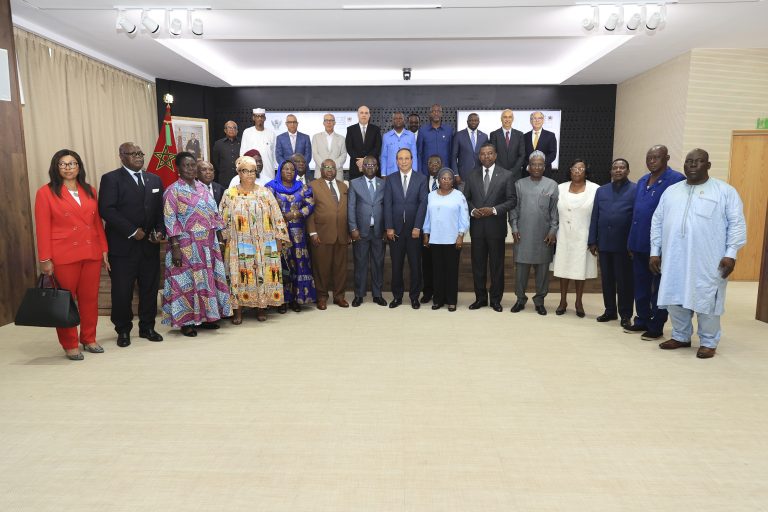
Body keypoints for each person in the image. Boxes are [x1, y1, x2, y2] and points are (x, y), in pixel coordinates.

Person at [650, 148, 746, 359]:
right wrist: (654, 251)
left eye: (698, 161)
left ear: (708, 165)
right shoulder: (672, 191)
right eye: (689, 162)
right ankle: (681, 336)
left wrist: (731, 253)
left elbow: (737, 225)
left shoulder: (724, 191)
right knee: (675, 296)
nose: (692, 165)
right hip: (674, 257)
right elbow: (657, 222)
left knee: (706, 298)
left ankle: (709, 341)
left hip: (709, 259)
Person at [35, 149, 110, 360]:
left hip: (91, 251)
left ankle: (88, 338)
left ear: (79, 167)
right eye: (63, 164)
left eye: (73, 163)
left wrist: (104, 249)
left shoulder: (90, 190)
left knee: (89, 299)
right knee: (65, 300)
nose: (68, 168)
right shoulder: (45, 192)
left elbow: (97, 223)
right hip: (63, 254)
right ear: (56, 167)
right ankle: (69, 343)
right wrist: (45, 259)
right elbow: (42, 228)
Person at [98, 142, 165, 348]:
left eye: (140, 153)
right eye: (133, 153)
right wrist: (131, 231)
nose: (138, 156)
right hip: (123, 247)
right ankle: (123, 330)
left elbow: (159, 211)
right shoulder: (111, 179)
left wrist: (160, 230)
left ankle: (147, 327)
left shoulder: (154, 179)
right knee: (122, 291)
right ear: (122, 156)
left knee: (149, 289)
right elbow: (107, 210)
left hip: (149, 246)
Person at [161, 152, 231, 336]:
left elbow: (215, 214)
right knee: (188, 284)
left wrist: (220, 237)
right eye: (187, 165)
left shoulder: (202, 188)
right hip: (185, 245)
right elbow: (170, 220)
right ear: (179, 168)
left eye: (193, 165)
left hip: (208, 244)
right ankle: (186, 322)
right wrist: (175, 247)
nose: (191, 169)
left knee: (206, 282)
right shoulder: (172, 191)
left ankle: (207, 317)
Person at [624, 145, 685, 340]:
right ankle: (641, 319)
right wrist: (631, 241)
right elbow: (637, 213)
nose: (651, 161)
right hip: (639, 242)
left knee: (659, 287)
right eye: (649, 157)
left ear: (666, 158)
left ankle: (656, 325)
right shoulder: (642, 180)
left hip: (660, 246)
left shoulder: (676, 180)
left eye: (656, 157)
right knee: (640, 285)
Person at [220, 156, 291, 323]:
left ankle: (261, 306)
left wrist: (279, 239)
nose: (250, 174)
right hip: (239, 243)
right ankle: (237, 310)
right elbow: (222, 219)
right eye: (245, 171)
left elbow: (276, 216)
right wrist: (223, 241)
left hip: (263, 243)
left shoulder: (265, 193)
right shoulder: (229, 194)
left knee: (262, 273)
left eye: (253, 171)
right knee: (239, 274)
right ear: (238, 173)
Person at [464, 143, 518, 311]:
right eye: (483, 154)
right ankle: (480, 298)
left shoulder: (507, 175)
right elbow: (465, 199)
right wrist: (472, 211)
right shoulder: (471, 175)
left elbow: (512, 200)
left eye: (489, 153)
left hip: (496, 229)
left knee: (497, 266)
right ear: (479, 156)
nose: (486, 156)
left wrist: (494, 210)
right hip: (477, 229)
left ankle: (496, 299)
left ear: (495, 155)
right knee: (478, 265)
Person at [588, 158, 636, 328]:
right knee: (607, 280)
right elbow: (595, 216)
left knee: (624, 281)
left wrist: (633, 243)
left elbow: (636, 218)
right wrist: (592, 240)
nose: (618, 170)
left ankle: (625, 314)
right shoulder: (602, 191)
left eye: (622, 167)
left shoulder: (635, 190)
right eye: (615, 167)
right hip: (605, 243)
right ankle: (610, 311)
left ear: (628, 171)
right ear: (611, 171)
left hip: (624, 245)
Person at [509, 151, 558, 315]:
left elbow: (555, 212)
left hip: (544, 235)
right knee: (521, 270)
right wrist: (514, 228)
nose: (536, 167)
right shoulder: (519, 184)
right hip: (523, 234)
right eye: (533, 164)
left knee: (542, 271)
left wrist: (553, 230)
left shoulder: (552, 185)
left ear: (544, 167)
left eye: (540, 164)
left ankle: (540, 301)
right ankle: (520, 299)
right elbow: (514, 210)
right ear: (528, 167)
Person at [265, 159, 317, 313]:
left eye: (292, 169)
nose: (289, 172)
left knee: (298, 264)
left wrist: (295, 213)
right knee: (280, 265)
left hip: (298, 234)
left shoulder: (302, 188)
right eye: (286, 169)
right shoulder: (270, 188)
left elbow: (311, 205)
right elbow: (265, 208)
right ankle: (281, 300)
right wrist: (280, 217)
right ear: (280, 171)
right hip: (278, 234)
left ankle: (296, 298)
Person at [552, 159, 599, 317]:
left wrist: (594, 239)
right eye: (574, 168)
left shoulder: (595, 189)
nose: (577, 171)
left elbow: (598, 216)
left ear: (586, 171)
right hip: (563, 234)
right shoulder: (560, 188)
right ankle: (562, 301)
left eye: (581, 168)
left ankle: (579, 302)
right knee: (563, 268)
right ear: (570, 170)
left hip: (583, 236)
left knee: (580, 270)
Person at [383, 148, 428, 309]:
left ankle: (414, 297)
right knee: (396, 266)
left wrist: (418, 227)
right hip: (395, 231)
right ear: (396, 161)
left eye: (406, 158)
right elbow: (387, 204)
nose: (403, 161)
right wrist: (388, 227)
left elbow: (423, 204)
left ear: (412, 160)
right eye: (400, 159)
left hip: (414, 231)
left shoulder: (421, 179)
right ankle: (397, 296)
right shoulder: (390, 179)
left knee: (416, 266)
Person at [422, 168, 470, 312]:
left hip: (452, 240)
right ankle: (438, 300)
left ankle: (451, 300)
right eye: (443, 178)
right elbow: (427, 217)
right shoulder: (431, 196)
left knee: (451, 271)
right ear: (438, 180)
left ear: (453, 181)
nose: (447, 180)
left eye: (449, 178)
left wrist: (461, 235)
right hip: (435, 240)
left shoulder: (459, 195)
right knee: (437, 271)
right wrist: (426, 233)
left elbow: (464, 217)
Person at [307, 159, 351, 310]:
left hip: (342, 234)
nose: (330, 170)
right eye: (326, 167)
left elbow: (348, 210)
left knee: (340, 268)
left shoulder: (343, 186)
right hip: (322, 234)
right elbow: (309, 211)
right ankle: (322, 297)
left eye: (332, 167)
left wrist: (351, 231)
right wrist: (312, 232)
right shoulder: (313, 186)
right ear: (321, 169)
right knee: (322, 268)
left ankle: (339, 297)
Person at [348, 156, 387, 307]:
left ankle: (378, 294)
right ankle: (359, 295)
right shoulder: (354, 183)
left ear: (377, 167)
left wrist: (386, 228)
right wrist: (353, 228)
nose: (370, 167)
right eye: (367, 164)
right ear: (362, 167)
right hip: (360, 231)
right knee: (360, 263)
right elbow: (351, 207)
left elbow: (387, 206)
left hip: (378, 231)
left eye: (373, 164)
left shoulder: (383, 183)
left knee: (378, 263)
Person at [420, 155, 443, 304]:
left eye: (437, 162)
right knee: (426, 262)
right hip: (425, 227)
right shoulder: (421, 181)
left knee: (440, 262)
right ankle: (428, 292)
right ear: (427, 165)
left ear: (441, 165)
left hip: (442, 228)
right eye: (431, 163)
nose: (434, 165)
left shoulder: (447, 182)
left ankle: (441, 292)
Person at [239, 107, 277, 182]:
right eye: (257, 116)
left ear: (265, 118)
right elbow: (242, 154)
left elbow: (274, 155)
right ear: (253, 118)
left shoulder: (271, 133)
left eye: (261, 116)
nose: (259, 118)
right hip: (251, 171)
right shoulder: (247, 132)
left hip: (268, 170)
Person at [345, 105, 382, 180]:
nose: (364, 115)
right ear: (358, 115)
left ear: (369, 115)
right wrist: (359, 160)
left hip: (372, 167)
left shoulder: (376, 129)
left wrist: (365, 160)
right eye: (361, 113)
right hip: (356, 166)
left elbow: (377, 147)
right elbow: (349, 148)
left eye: (366, 113)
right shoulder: (350, 129)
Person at [451, 112, 488, 184]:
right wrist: (456, 174)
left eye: (475, 120)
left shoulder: (484, 136)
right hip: (463, 176)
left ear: (479, 122)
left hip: (480, 176)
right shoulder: (459, 135)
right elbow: (453, 157)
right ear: (467, 122)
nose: (473, 122)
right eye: (471, 120)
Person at [417, 104, 453, 175]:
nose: (436, 113)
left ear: (441, 114)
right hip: (426, 171)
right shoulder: (422, 130)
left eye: (438, 111)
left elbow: (452, 152)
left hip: (445, 170)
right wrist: (420, 172)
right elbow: (419, 153)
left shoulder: (449, 130)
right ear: (430, 114)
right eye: (433, 111)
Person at [380, 111, 418, 176]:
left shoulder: (411, 135)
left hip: (407, 172)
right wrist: (383, 174)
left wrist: (414, 173)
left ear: (404, 121)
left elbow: (414, 155)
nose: (398, 120)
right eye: (396, 118)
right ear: (392, 121)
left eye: (400, 118)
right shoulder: (386, 136)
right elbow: (384, 157)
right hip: (391, 172)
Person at [311, 113, 347, 180]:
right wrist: (325, 167)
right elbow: (315, 154)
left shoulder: (342, 138)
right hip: (320, 174)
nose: (329, 122)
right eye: (326, 120)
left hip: (337, 175)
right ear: (323, 123)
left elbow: (344, 155)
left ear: (334, 123)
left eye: (331, 120)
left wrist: (332, 166)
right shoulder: (316, 137)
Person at [489, 109, 525, 175]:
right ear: (501, 119)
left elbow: (522, 155)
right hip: (498, 173)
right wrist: (501, 171)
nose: (507, 120)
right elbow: (492, 154)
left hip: (515, 174)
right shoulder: (494, 134)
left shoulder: (519, 135)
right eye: (505, 117)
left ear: (513, 119)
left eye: (510, 117)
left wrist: (513, 171)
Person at [523, 111, 557, 177]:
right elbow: (522, 154)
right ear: (530, 121)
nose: (537, 120)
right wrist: (528, 166)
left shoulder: (550, 135)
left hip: (545, 172)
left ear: (543, 120)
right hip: (527, 173)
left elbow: (552, 154)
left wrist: (542, 165)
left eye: (540, 118)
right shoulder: (524, 136)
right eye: (534, 118)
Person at [211, 120, 240, 186]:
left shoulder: (242, 142)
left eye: (234, 128)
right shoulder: (218, 144)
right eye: (229, 128)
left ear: (237, 131)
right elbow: (216, 161)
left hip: (239, 177)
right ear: (225, 130)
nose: (232, 129)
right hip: (224, 178)